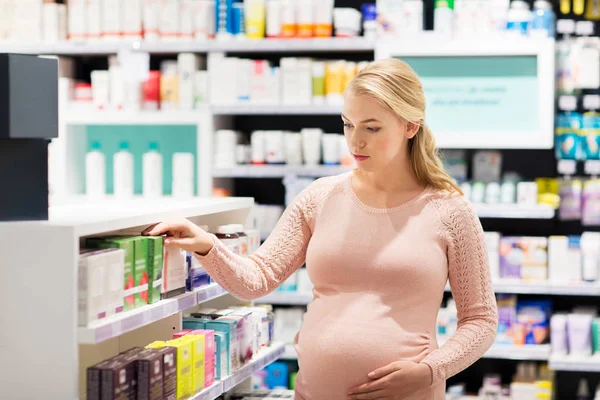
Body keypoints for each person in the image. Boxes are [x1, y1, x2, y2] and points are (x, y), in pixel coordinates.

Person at [143, 58, 498, 400]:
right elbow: (258, 276)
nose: (355, 141)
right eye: (348, 124)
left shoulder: (450, 211)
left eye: (372, 127)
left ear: (410, 126)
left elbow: (480, 321)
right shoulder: (320, 197)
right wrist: (206, 245)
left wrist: (430, 371)